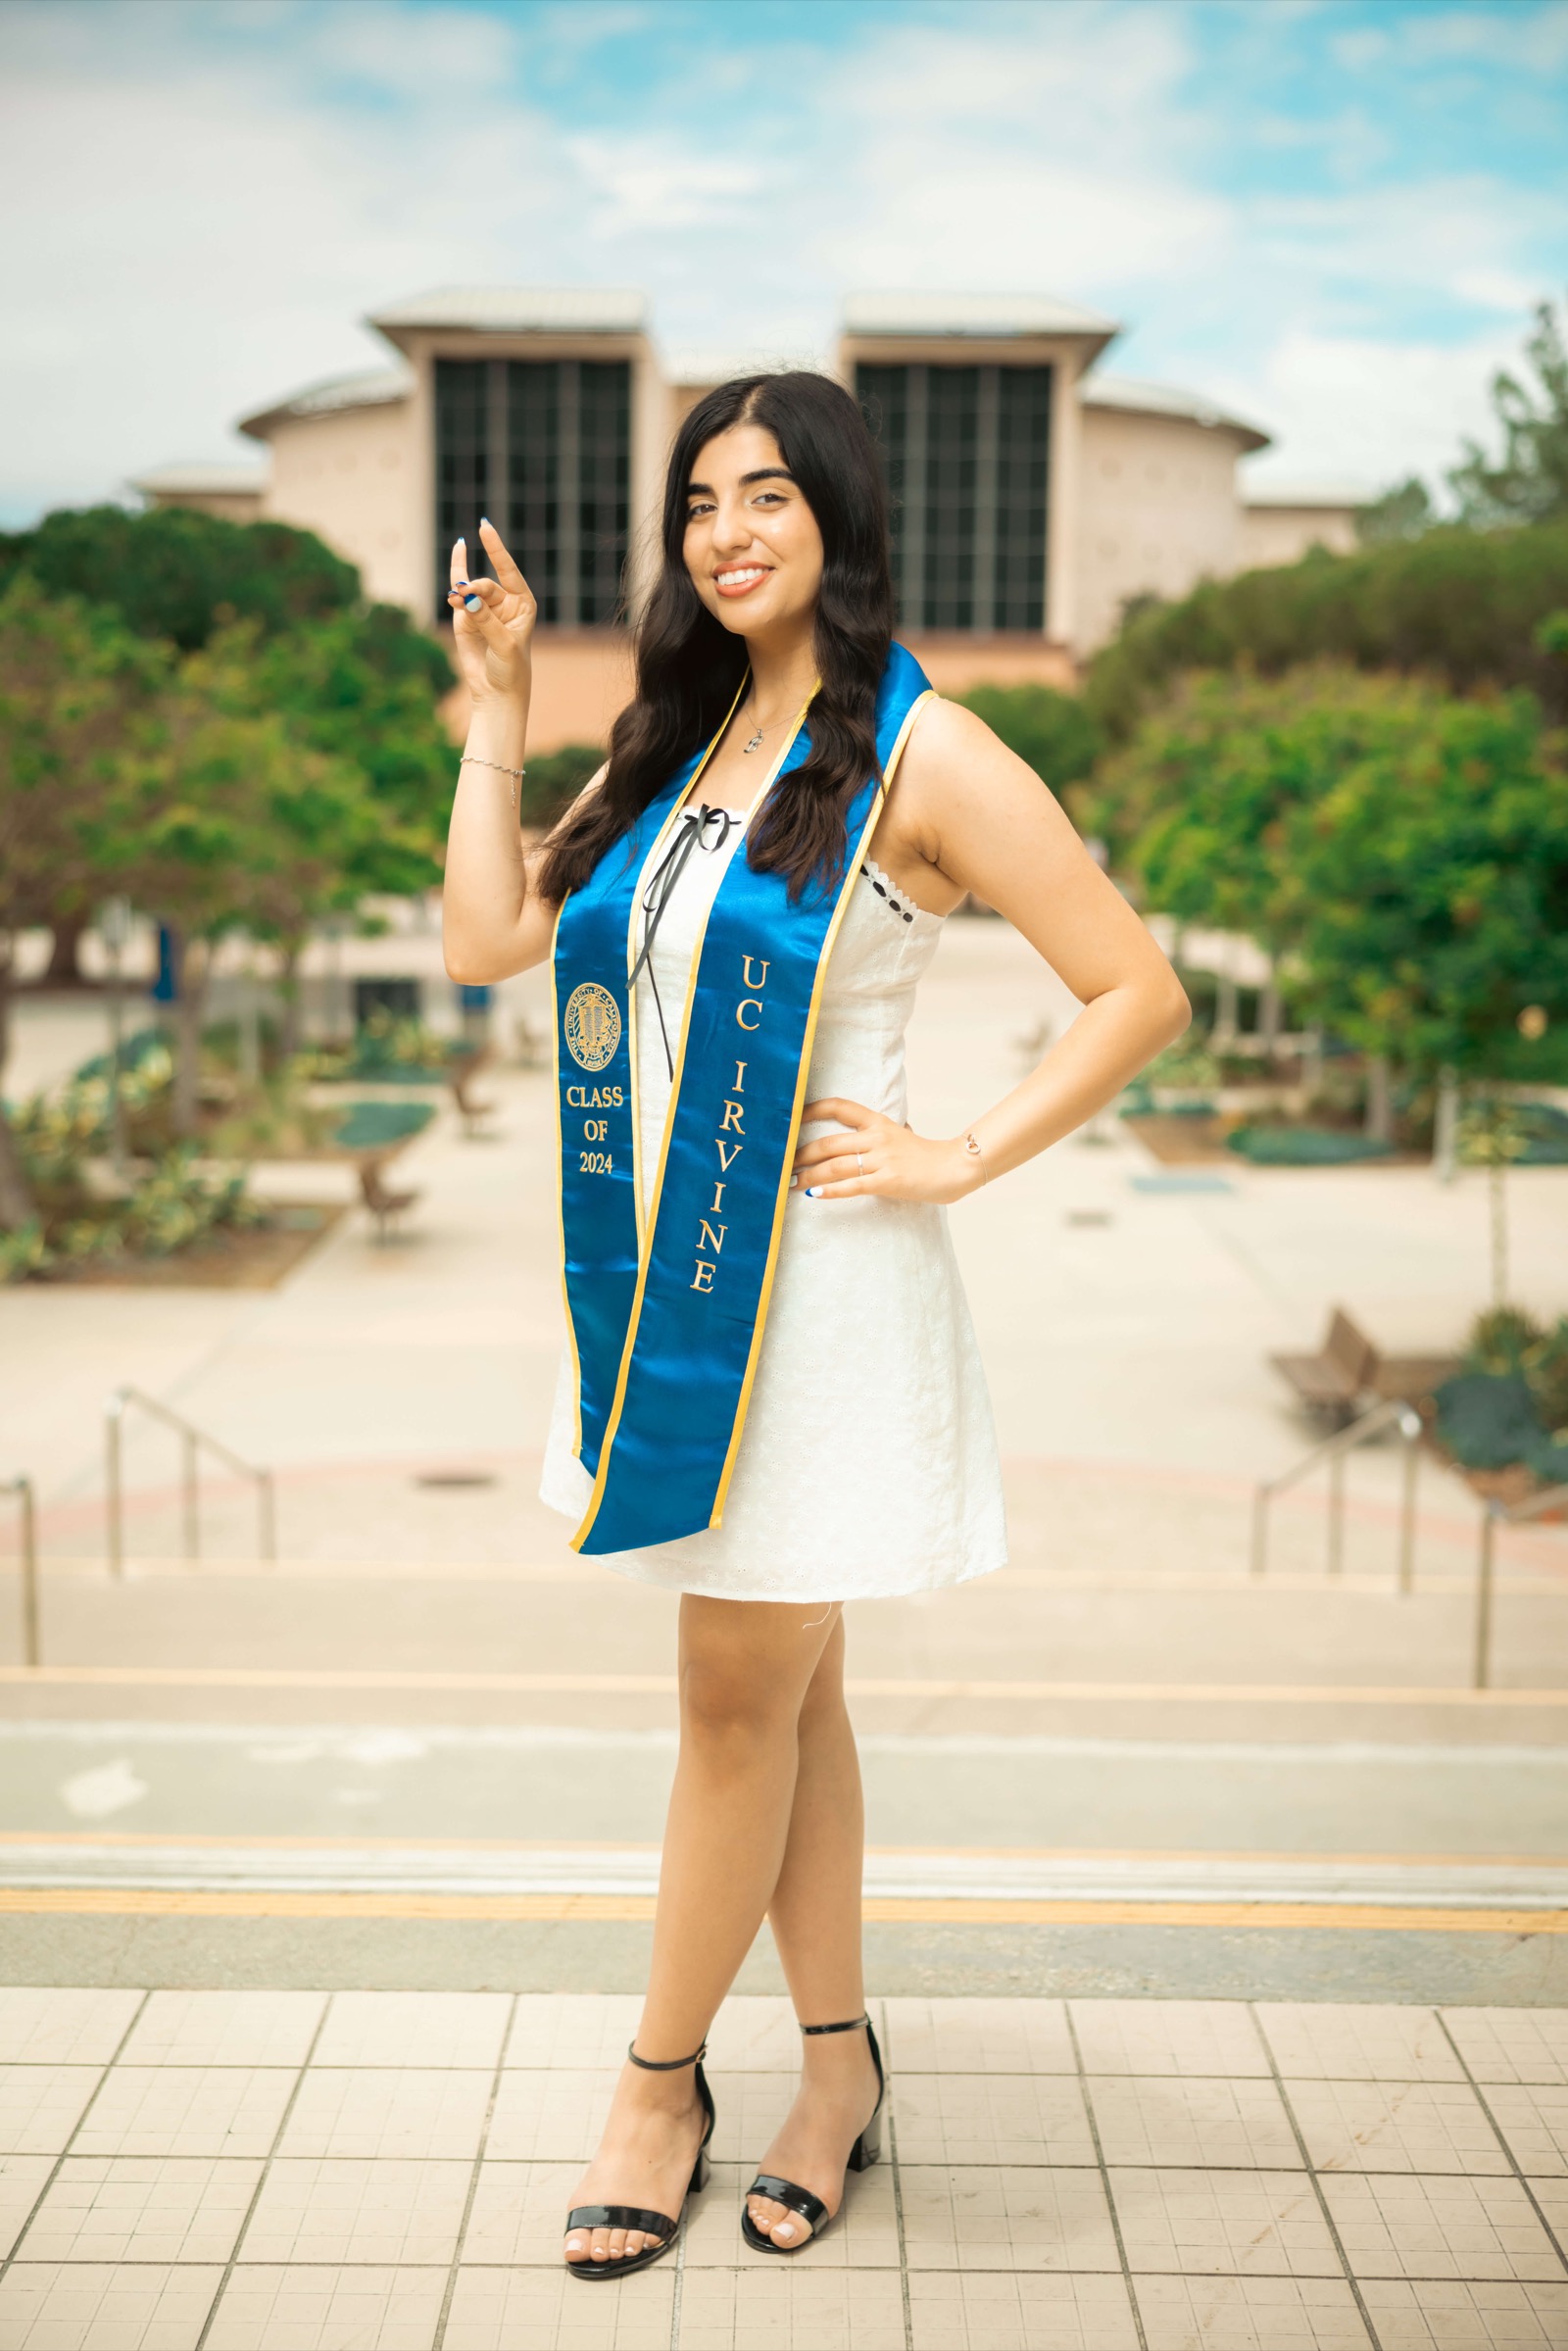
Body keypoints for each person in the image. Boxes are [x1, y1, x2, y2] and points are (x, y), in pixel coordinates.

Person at [441, 370, 1188, 2278]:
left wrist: (957, 1152)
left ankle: (657, 2080)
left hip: (825, 1308)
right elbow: (482, 941)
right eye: (699, 501)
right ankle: (837, 2067)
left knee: (725, 1700)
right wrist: (503, 706)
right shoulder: (676, 741)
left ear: (841, 522)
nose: (727, 531)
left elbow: (1132, 988)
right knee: (794, 1697)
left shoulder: (922, 755)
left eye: (766, 494)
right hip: (665, 1296)